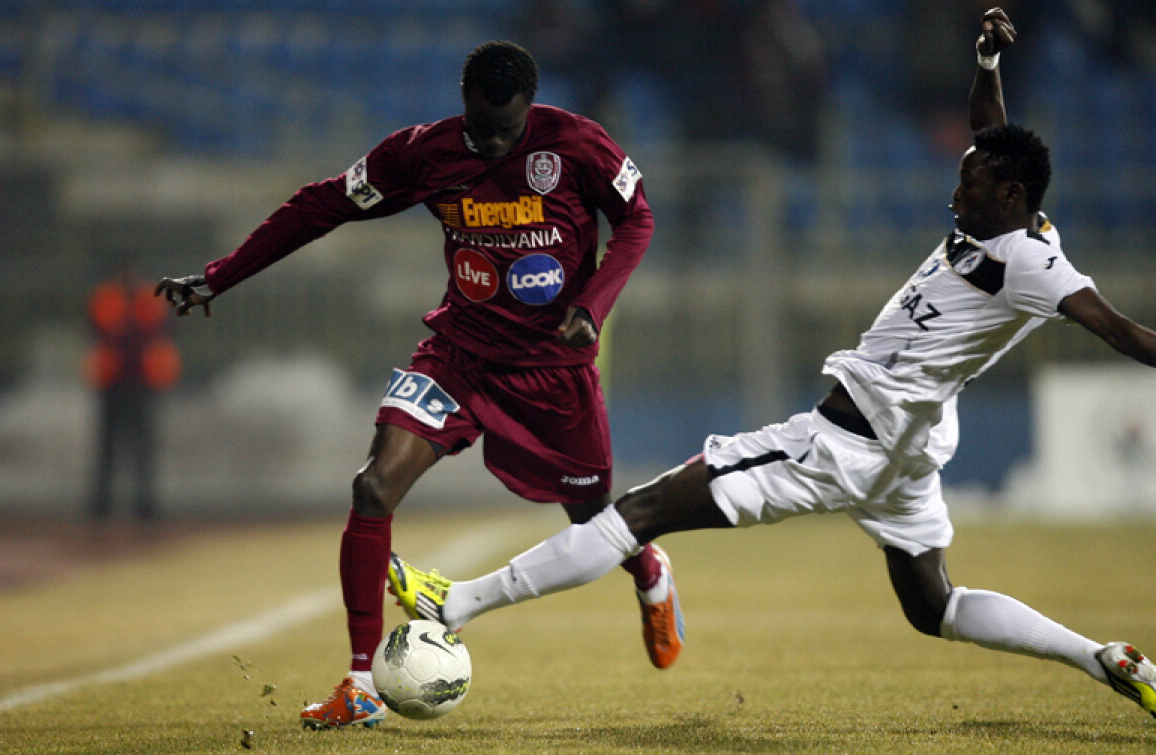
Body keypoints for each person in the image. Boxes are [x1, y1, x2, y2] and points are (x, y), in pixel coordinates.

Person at [386, 10, 1156, 720]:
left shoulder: (1035, 262)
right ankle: (1102, 657)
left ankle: (457, 603)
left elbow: (1118, 328)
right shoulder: (1006, 209)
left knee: (637, 514)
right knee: (936, 606)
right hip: (907, 452)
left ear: (1011, 194)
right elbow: (990, 130)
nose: (956, 192)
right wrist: (986, 62)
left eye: (971, 185)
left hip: (844, 443)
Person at [155, 40, 682, 729]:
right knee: (373, 486)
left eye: (506, 130)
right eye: (481, 128)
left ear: (530, 106)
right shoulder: (423, 153)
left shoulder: (578, 144)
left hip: (551, 368)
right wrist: (219, 276)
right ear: (463, 103)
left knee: (591, 518)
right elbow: (321, 206)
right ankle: (359, 685)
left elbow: (637, 218)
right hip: (457, 355)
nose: (492, 144)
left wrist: (593, 305)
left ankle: (649, 571)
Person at [85, 265, 181, 520]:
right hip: (114, 380)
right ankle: (104, 502)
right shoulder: (108, 298)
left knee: (140, 445)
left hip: (141, 380)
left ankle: (142, 502)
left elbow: (163, 330)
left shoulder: (146, 298)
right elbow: (97, 330)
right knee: (110, 447)